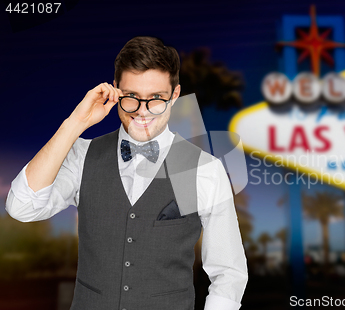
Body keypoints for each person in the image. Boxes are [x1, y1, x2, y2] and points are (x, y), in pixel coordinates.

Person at [5, 36, 247, 310]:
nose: (143, 112)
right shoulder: (84, 155)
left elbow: (228, 273)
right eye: (131, 97)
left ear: (175, 95)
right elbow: (22, 207)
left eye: (156, 99)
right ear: (116, 91)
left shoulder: (202, 168)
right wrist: (75, 123)